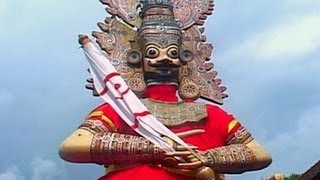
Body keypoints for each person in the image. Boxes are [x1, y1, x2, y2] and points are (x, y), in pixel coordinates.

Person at [59, 0, 272, 179]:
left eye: (172, 52)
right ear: (137, 59)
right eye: (152, 52)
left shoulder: (211, 115)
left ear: (184, 59)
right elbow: (72, 146)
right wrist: (153, 148)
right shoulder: (121, 110)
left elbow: (259, 153)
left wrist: (208, 158)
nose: (164, 58)